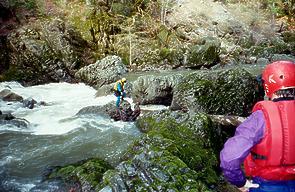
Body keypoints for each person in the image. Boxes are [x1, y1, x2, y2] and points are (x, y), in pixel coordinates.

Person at [220, 60, 295, 192]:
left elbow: (229, 159)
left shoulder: (260, 118)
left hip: (267, 185)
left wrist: (240, 183)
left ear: (267, 86)